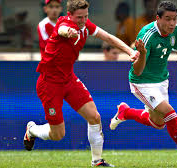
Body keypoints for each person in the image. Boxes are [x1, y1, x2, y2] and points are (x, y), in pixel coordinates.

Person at [23, 0, 139, 167]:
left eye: (86, 16)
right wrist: (68, 31)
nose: (83, 20)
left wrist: (130, 51)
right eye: (79, 17)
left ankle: (97, 161)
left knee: (94, 116)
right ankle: (32, 130)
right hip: (49, 82)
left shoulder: (85, 24)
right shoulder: (63, 23)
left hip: (69, 79)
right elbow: (63, 29)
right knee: (58, 134)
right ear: (69, 15)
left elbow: (107, 36)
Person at [109, 1, 177, 166]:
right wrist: (143, 53)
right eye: (168, 19)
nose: (172, 23)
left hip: (161, 80)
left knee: (159, 123)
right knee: (170, 114)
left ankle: (126, 112)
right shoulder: (146, 35)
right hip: (142, 83)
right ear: (158, 19)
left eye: (174, 19)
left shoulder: (175, 31)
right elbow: (138, 70)